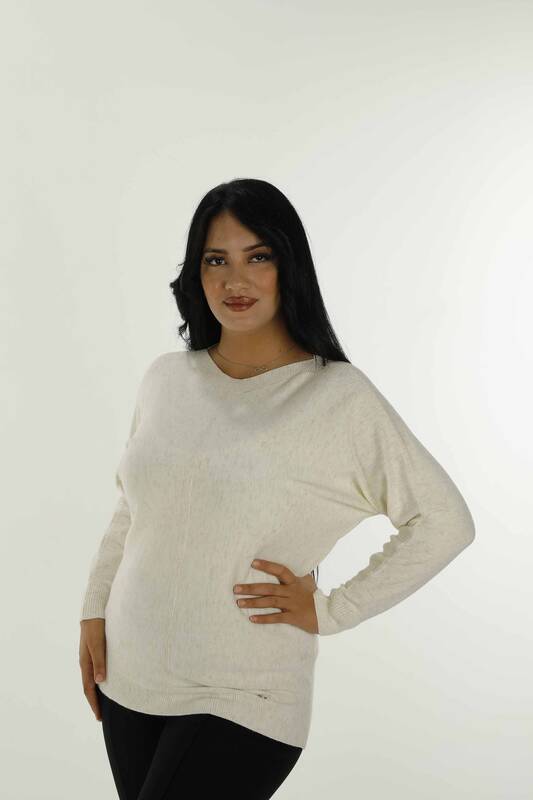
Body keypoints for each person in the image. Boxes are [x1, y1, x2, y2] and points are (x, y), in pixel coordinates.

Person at [78, 178, 476, 799]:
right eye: (216, 260)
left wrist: (333, 610)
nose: (235, 280)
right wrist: (93, 611)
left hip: (247, 695)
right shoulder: (166, 379)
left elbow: (444, 520)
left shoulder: (338, 398)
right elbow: (133, 506)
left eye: (257, 256)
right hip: (130, 676)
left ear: (289, 265)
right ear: (196, 273)